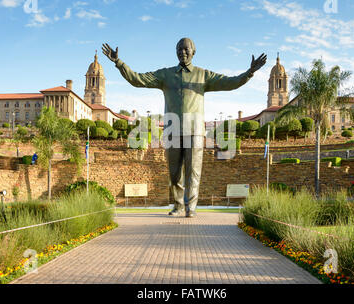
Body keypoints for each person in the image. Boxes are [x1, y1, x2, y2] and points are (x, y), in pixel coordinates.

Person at [102, 38, 266, 218]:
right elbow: (138, 79)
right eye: (179, 49)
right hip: (172, 131)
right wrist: (119, 63)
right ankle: (178, 205)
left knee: (193, 171)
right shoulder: (166, 74)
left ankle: (191, 207)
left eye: (186, 49)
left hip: (195, 131)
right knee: (174, 173)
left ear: (193, 52)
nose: (183, 52)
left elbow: (231, 82)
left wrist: (249, 72)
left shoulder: (203, 75)